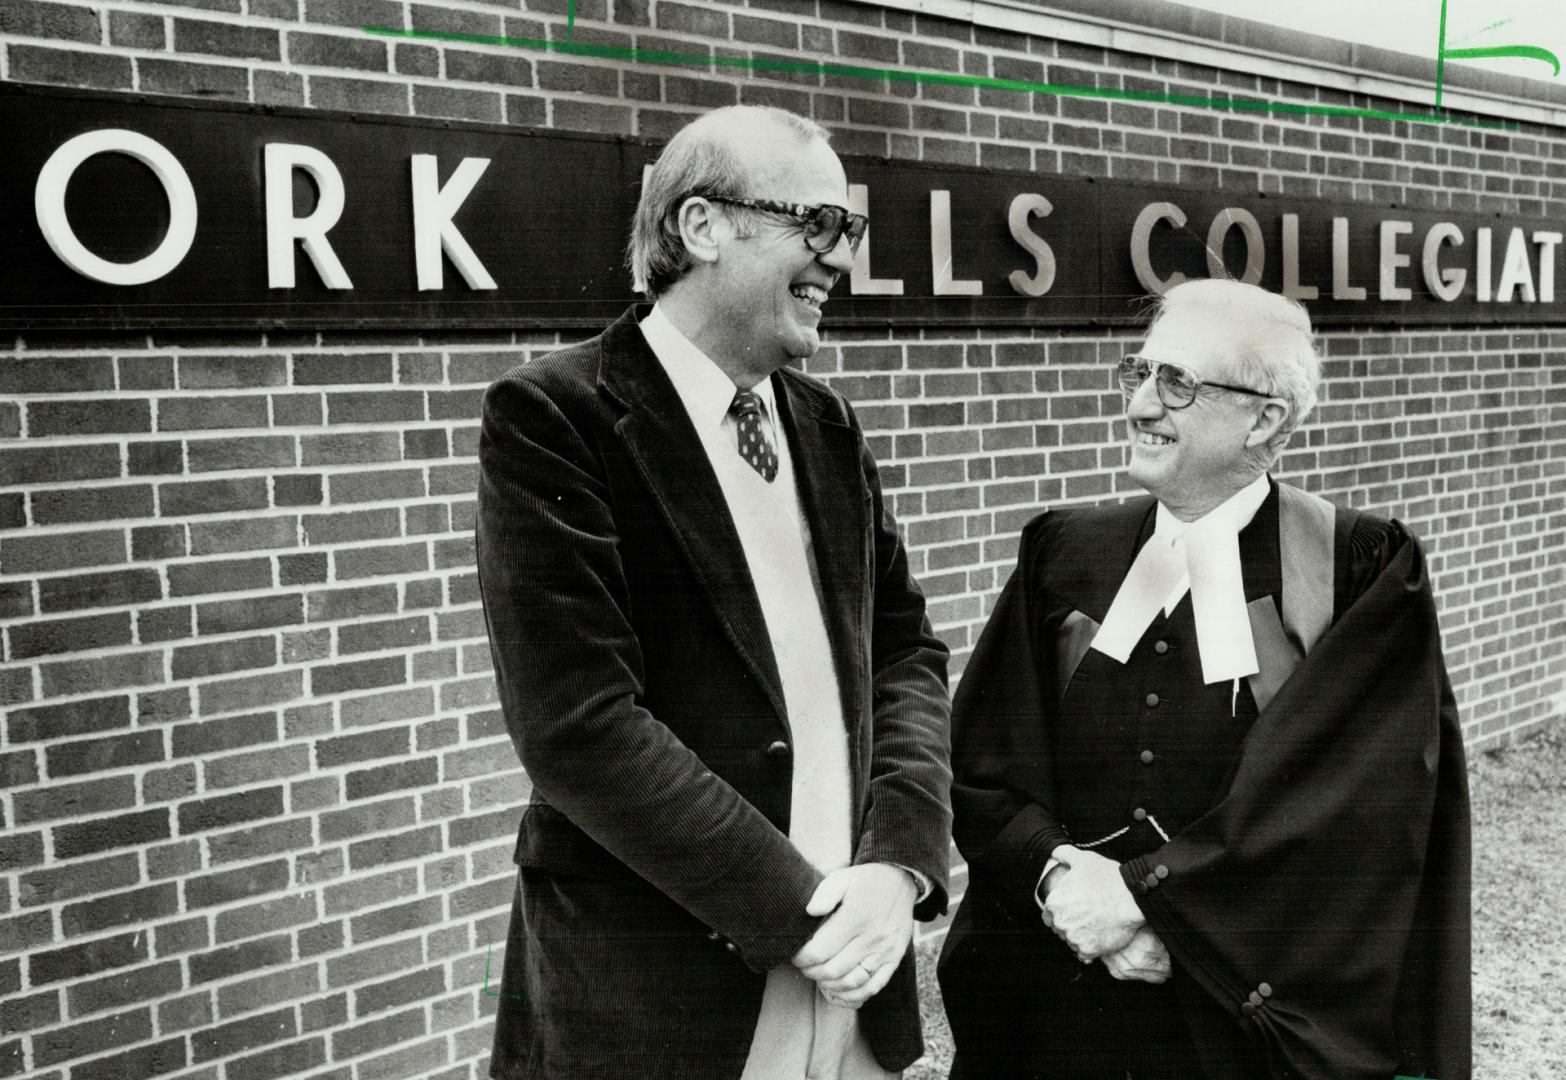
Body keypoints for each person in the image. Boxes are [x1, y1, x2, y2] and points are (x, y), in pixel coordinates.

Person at [476, 105, 953, 1080]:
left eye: (849, 233)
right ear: (702, 227)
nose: (839, 260)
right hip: (667, 1003)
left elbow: (906, 655)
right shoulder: (556, 416)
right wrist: (807, 914)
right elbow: (579, 725)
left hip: (856, 991)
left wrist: (898, 867)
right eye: (817, 225)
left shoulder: (826, 426)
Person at [937, 278, 1471, 1079]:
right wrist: (1056, 881)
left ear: (1266, 418)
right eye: (1140, 374)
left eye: (1178, 383)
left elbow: (1354, 805)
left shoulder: (1357, 568)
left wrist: (1151, 902)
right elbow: (986, 760)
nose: (1141, 406)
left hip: (1244, 1020)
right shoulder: (1064, 554)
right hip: (1061, 1008)